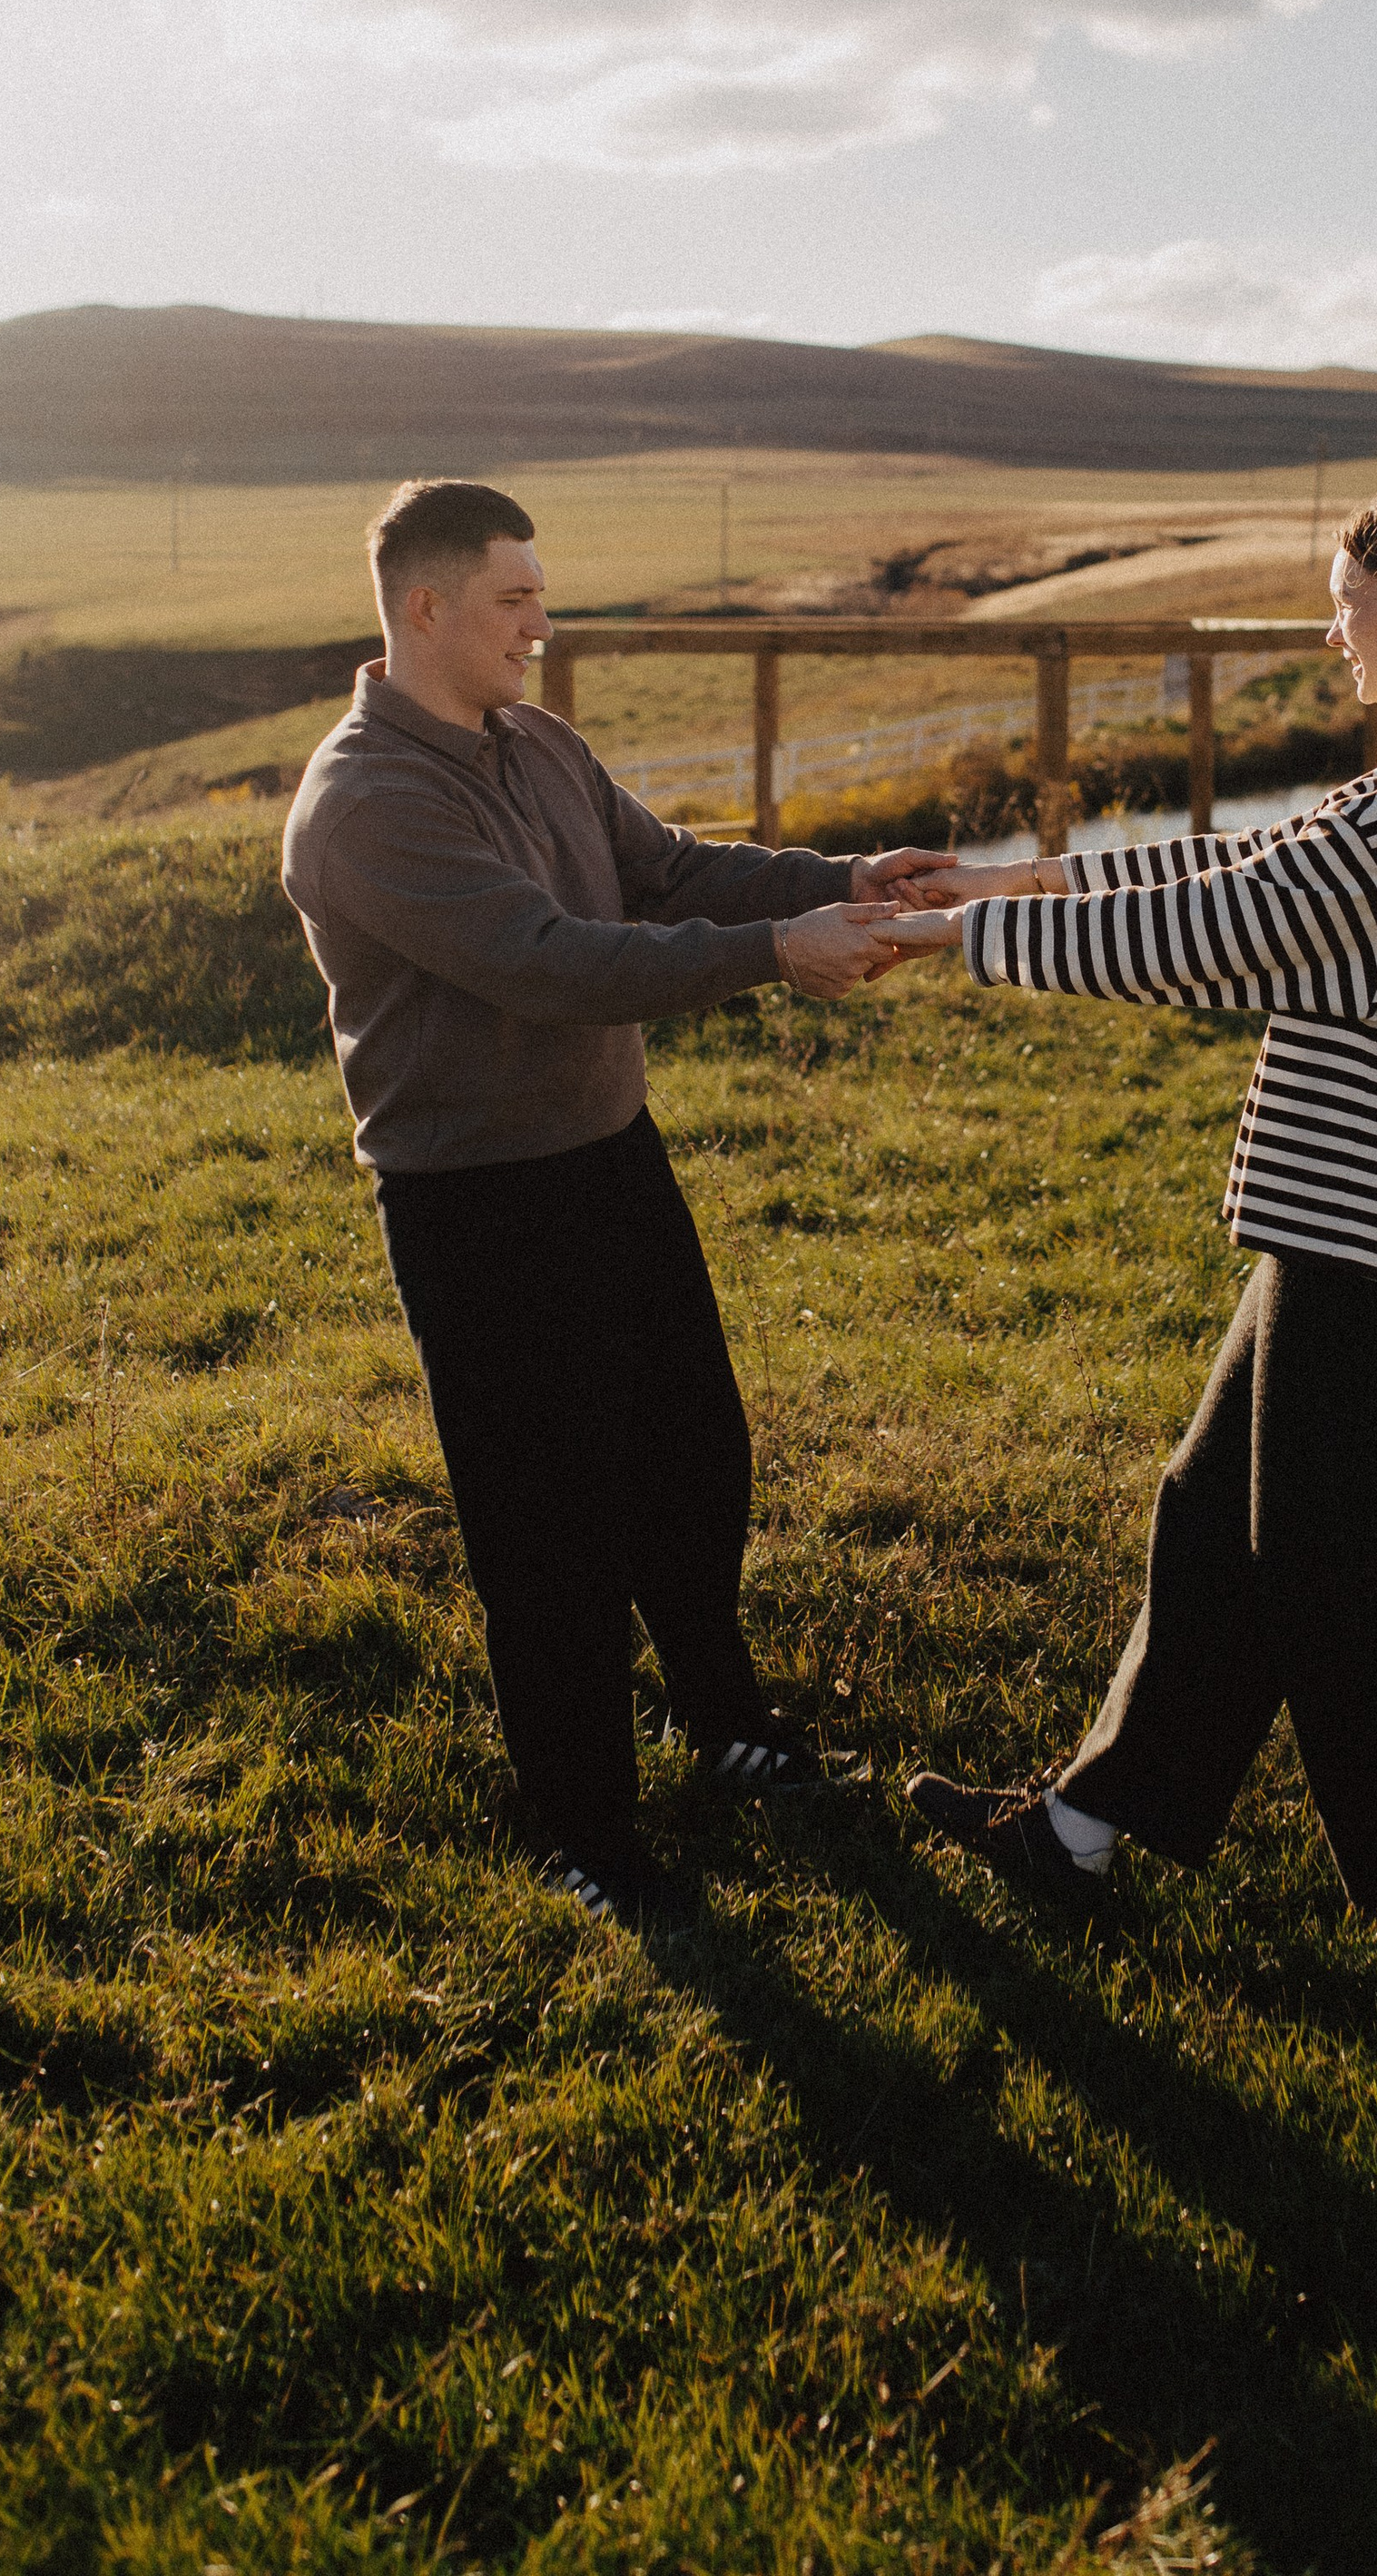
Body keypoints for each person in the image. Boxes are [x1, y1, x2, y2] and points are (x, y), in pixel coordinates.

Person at [885, 487, 1377, 1922]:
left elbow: (1218, 929)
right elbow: (1224, 864)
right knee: (1213, 1514)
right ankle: (1085, 1826)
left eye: (1348, 599)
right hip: (1346, 1215)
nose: (1333, 626)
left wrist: (958, 934)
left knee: (1337, 1556)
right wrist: (1014, 877)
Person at [282, 478, 942, 1927]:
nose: (542, 623)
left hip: (611, 1160)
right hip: (478, 1209)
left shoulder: (541, 743)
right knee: (547, 1528)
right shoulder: (361, 802)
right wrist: (781, 950)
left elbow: (666, 872)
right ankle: (584, 1830)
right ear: (428, 609)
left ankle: (726, 1721)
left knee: (694, 1456)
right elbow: (555, 958)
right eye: (515, 599)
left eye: (541, 593)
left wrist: (845, 876)